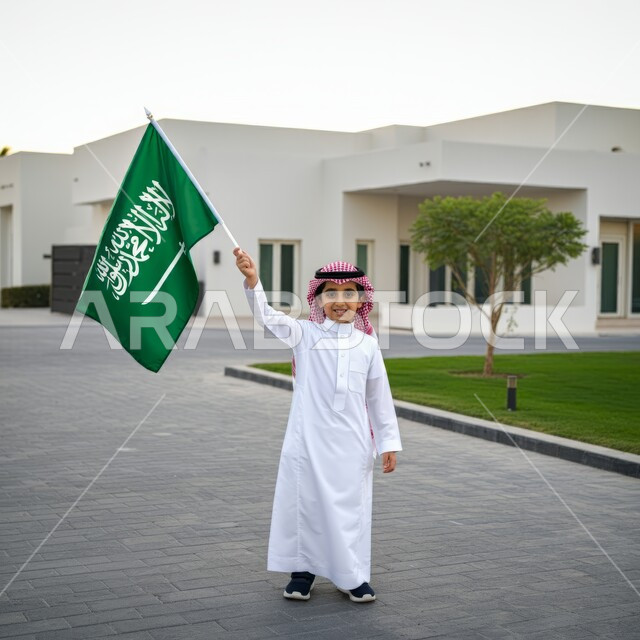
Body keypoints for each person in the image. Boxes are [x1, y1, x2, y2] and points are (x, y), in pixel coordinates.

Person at [234, 248, 402, 603]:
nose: (340, 300)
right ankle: (302, 573)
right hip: (308, 441)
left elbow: (378, 398)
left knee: (349, 512)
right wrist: (253, 280)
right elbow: (267, 317)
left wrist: (388, 443)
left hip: (353, 444)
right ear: (319, 299)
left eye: (348, 293)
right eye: (331, 293)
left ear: (361, 300)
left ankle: (351, 576)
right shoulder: (305, 335)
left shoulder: (368, 345)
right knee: (306, 506)